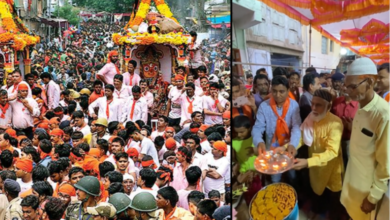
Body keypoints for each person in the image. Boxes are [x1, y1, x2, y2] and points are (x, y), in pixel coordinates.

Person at [340, 57, 389, 220]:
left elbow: (385, 164)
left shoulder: (383, 114)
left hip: (366, 188)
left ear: (370, 82)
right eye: (347, 87)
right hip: (352, 178)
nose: (348, 91)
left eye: (353, 86)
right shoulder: (361, 106)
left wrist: (373, 197)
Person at [292, 89, 344, 219]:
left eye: (319, 105)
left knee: (333, 197)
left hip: (331, 168)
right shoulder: (311, 117)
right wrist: (288, 147)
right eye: (312, 104)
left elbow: (332, 152)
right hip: (315, 166)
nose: (313, 108)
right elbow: (301, 138)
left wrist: (308, 162)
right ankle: (318, 211)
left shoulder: (335, 123)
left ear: (329, 106)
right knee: (317, 193)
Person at [252, 75, 301, 183]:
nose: (277, 95)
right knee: (275, 178)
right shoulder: (264, 106)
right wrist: (259, 141)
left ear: (288, 91)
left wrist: (293, 144)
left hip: (289, 147)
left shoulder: (294, 105)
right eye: (274, 91)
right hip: (272, 150)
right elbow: (258, 127)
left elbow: (296, 126)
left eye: (281, 91)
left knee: (292, 174)